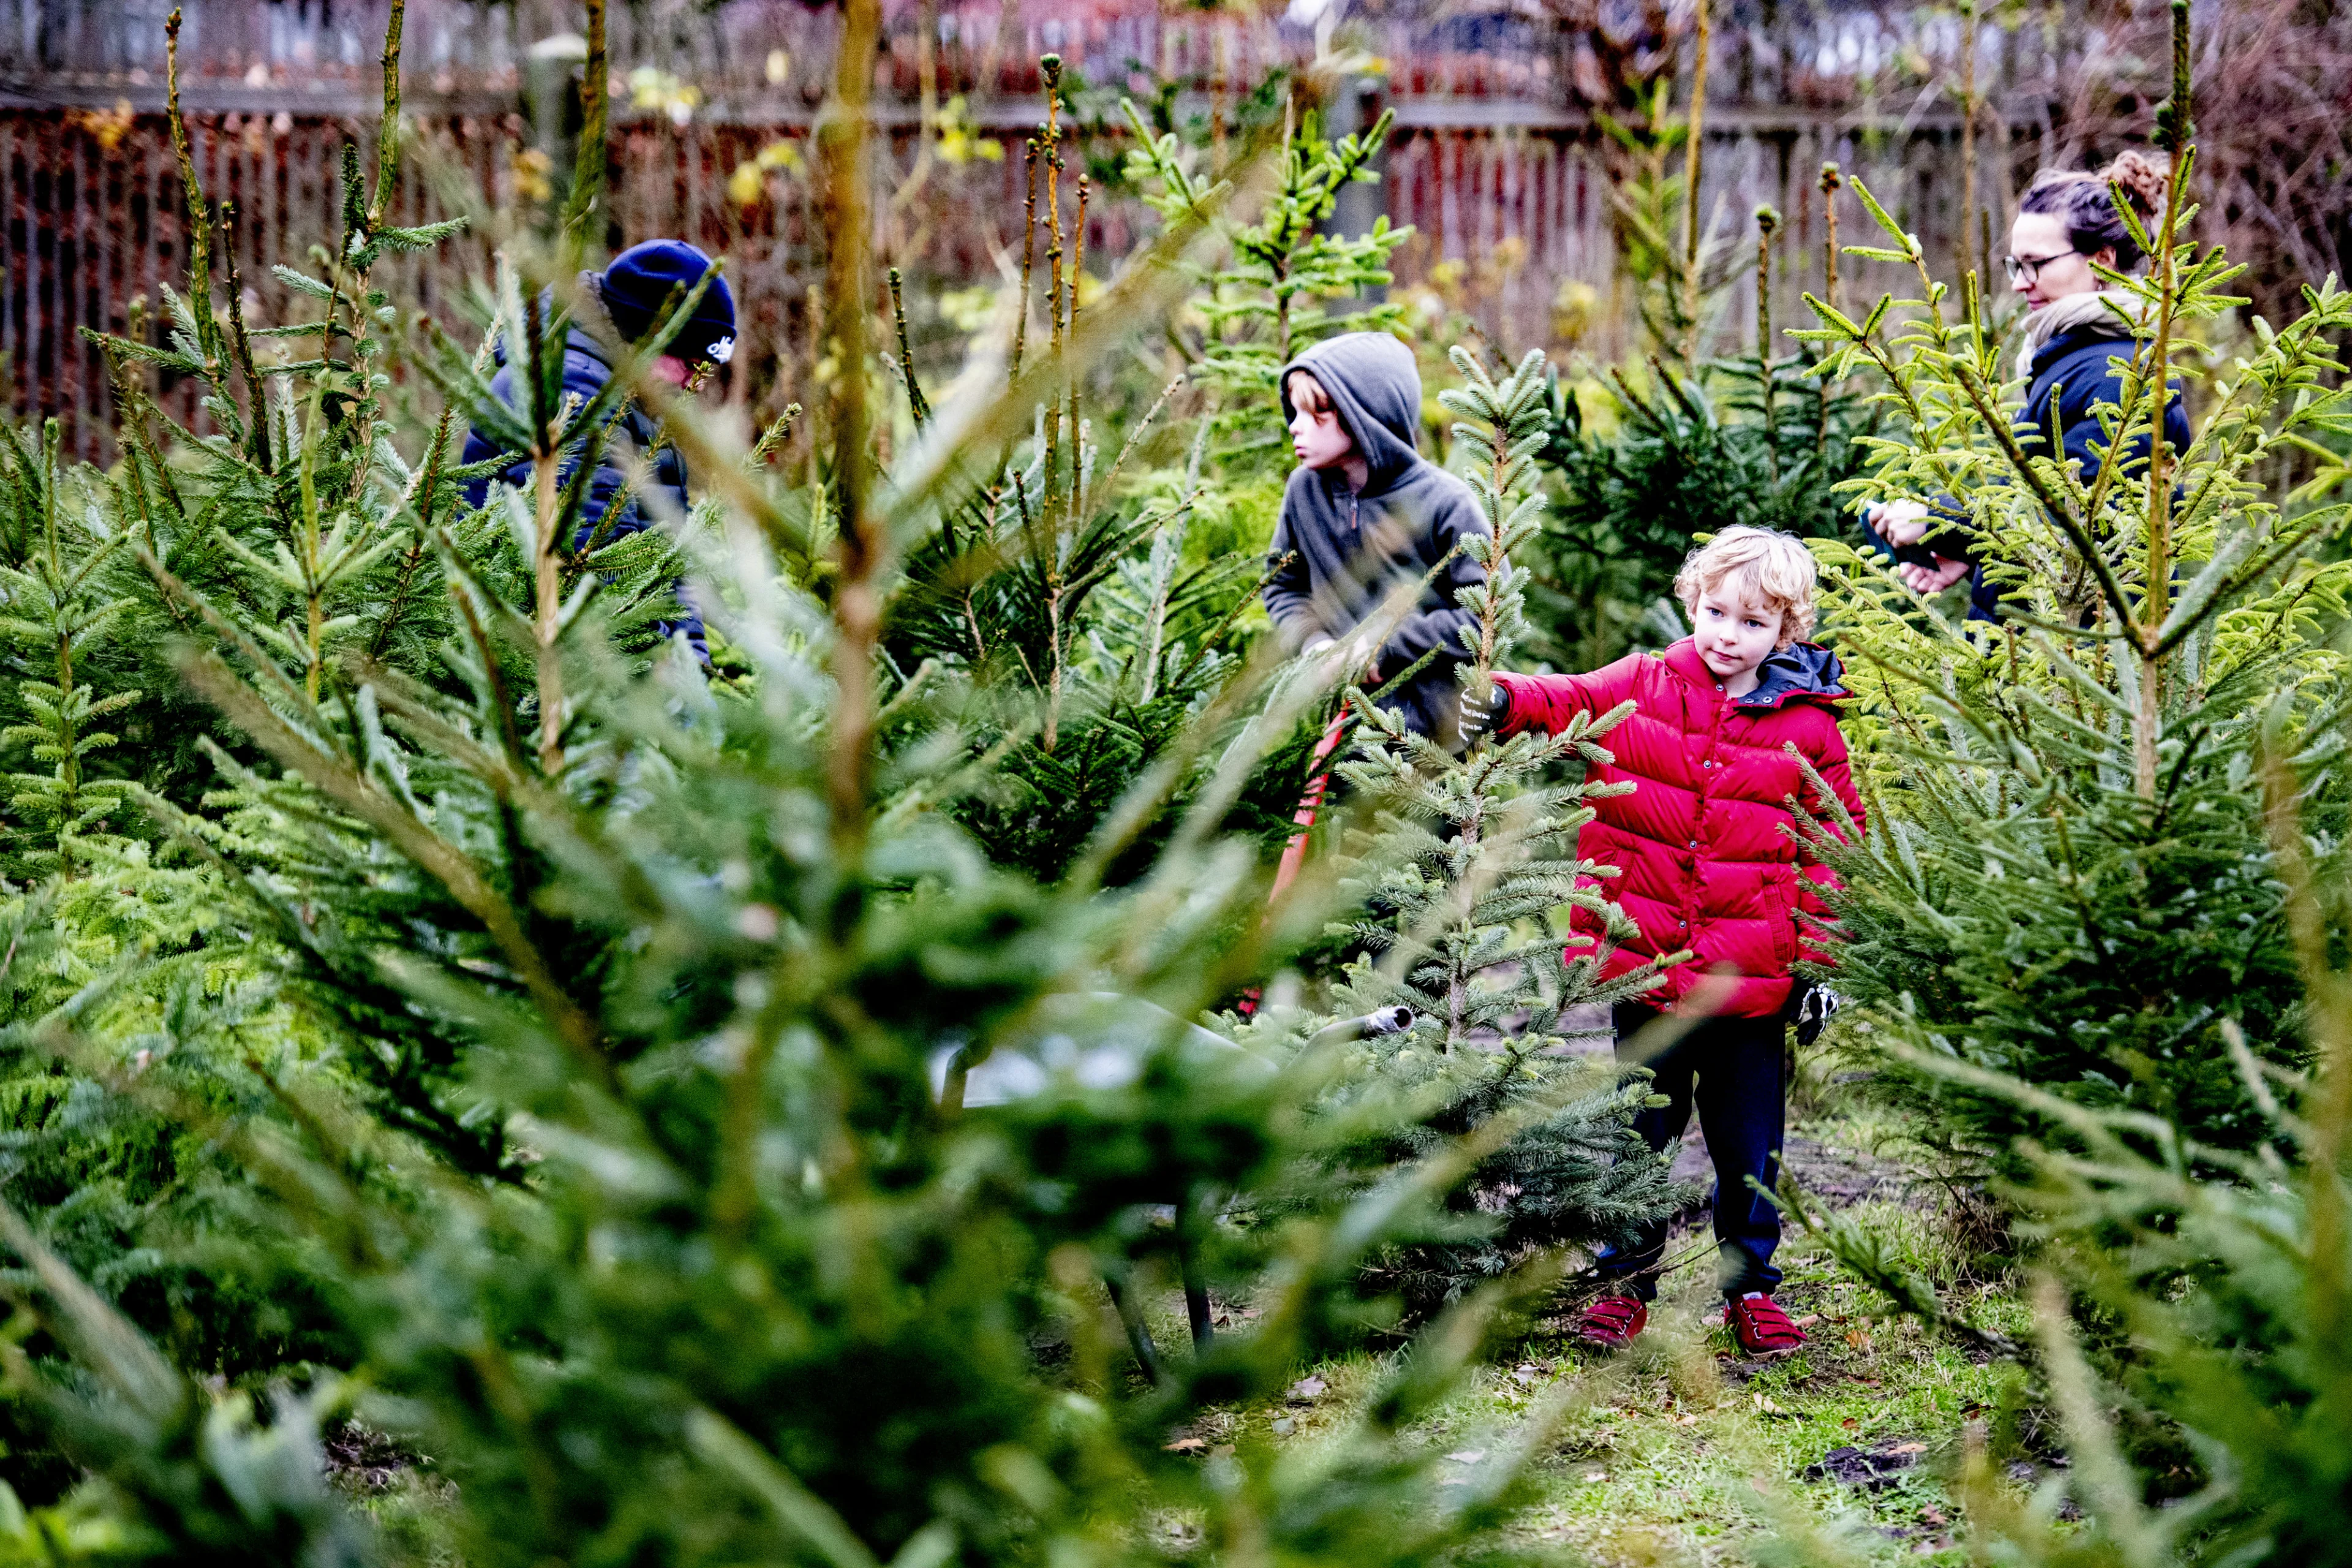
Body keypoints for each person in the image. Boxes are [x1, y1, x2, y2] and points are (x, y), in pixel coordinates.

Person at [1461, 527, 1865, 1357]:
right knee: (1639, 1133)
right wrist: (1500, 697)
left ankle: (1749, 1288)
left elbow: (1836, 845)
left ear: (1784, 632)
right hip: (1643, 971)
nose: (1727, 634)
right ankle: (1623, 1280)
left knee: (1748, 1148)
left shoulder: (1811, 727)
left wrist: (1821, 963)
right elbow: (1562, 698)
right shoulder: (1644, 684)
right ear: (1692, 602)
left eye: (1751, 623)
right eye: (1716, 612)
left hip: (1751, 989)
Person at [1868, 151, 2193, 619]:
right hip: (2038, 654)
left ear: (2102, 260)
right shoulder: (2068, 359)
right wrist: (1968, 551)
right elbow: (2032, 495)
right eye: (2014, 265)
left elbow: (2083, 527)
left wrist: (1936, 521)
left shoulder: (2115, 374)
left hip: (2079, 672)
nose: (2020, 284)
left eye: (2036, 264)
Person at [459, 238, 739, 660]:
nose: (694, 384)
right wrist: (669, 693)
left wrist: (693, 671)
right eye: (691, 364)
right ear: (647, 335)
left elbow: (667, 562)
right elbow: (599, 566)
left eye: (708, 371)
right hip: (535, 670)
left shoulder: (637, 398)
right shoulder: (576, 391)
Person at [1264, 332, 1488, 751]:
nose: (1296, 426)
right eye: (1294, 411)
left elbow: (1485, 618)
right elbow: (1281, 583)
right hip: (1338, 737)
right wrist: (1315, 644)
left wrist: (1382, 647)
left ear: (1366, 414)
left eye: (1317, 414)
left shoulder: (1447, 503)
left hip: (1434, 742)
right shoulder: (1303, 491)